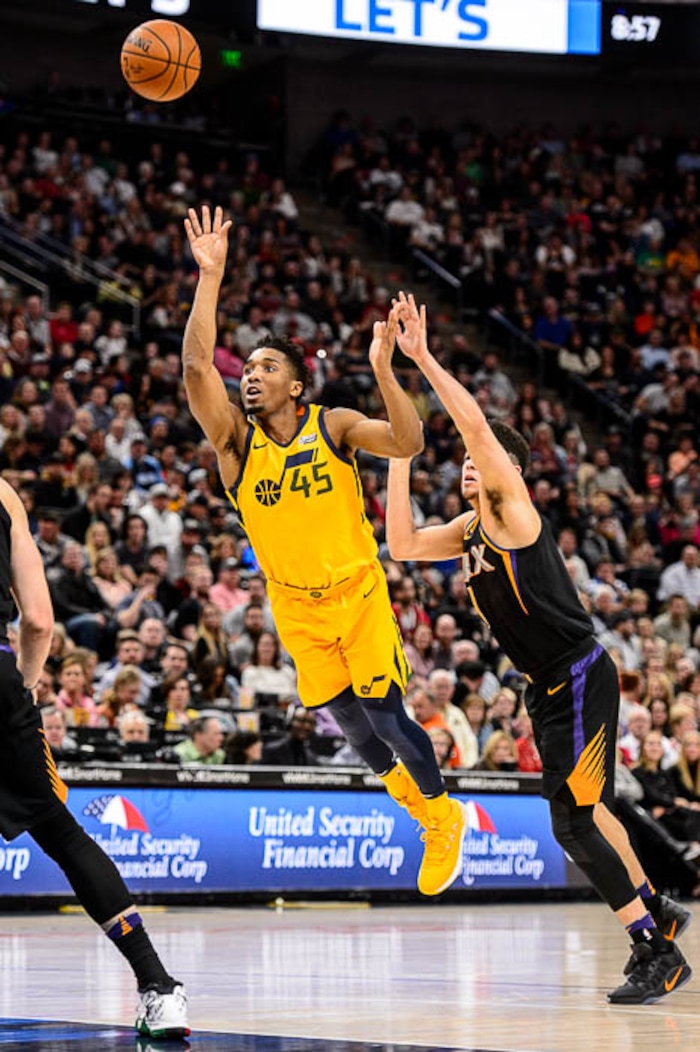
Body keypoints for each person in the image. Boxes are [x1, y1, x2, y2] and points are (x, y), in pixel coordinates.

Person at [385, 291, 691, 1004]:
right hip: (548, 687)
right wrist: (398, 451)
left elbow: (478, 433)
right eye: (461, 459)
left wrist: (423, 358)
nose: (465, 464)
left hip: (579, 672)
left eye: (475, 458)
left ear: (505, 474)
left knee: (574, 821)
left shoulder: (513, 512)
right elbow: (400, 542)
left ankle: (653, 948)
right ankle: (659, 909)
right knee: (590, 813)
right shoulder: (468, 532)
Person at [181, 206, 466, 897]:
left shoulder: (332, 424)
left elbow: (409, 444)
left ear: (296, 384)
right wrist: (210, 277)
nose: (250, 376)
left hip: (357, 594)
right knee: (352, 730)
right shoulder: (236, 447)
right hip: (294, 606)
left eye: (266, 366)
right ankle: (424, 813)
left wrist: (385, 372)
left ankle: (442, 818)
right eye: (246, 368)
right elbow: (195, 367)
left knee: (385, 715)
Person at [0, 476, 188, 1037]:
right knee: (61, 834)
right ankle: (159, 986)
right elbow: (38, 620)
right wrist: (25, 688)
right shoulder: (3, 493)